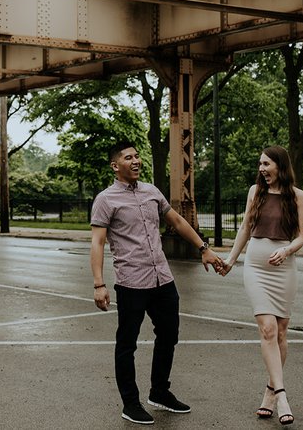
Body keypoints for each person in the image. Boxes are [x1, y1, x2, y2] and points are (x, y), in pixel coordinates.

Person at [90, 140, 225, 425]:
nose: (136, 161)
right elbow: (97, 242)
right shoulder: (106, 199)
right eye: (129, 158)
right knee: (127, 343)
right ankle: (130, 403)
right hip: (131, 282)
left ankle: (159, 392)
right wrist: (98, 284)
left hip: (162, 278)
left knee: (169, 334)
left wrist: (204, 248)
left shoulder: (152, 191)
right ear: (116, 166)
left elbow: (176, 221)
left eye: (137, 156)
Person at [219, 145, 303, 426]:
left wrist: (286, 251)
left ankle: (269, 391)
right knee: (267, 328)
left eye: (266, 164)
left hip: (284, 269)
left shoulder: (298, 197)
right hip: (256, 268)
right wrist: (232, 260)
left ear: (280, 166)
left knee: (281, 333)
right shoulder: (254, 192)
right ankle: (282, 395)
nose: (261, 169)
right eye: (259, 164)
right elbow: (245, 228)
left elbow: (301, 237)